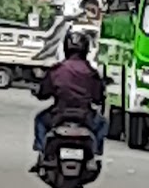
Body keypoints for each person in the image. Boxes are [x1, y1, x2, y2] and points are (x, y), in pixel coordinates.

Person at [31, 30, 106, 169]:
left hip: (58, 115)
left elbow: (43, 93)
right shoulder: (91, 72)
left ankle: (42, 153)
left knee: (40, 121)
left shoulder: (56, 70)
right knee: (102, 124)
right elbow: (99, 98)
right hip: (86, 116)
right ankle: (95, 154)